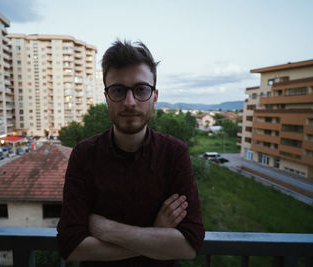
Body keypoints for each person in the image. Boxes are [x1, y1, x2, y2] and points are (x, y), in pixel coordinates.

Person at [57, 40, 205, 266]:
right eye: (118, 90)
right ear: (106, 97)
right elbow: (71, 246)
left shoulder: (174, 153)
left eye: (141, 89)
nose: (129, 102)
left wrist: (106, 229)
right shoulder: (84, 154)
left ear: (154, 97)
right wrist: (155, 235)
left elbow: (189, 244)